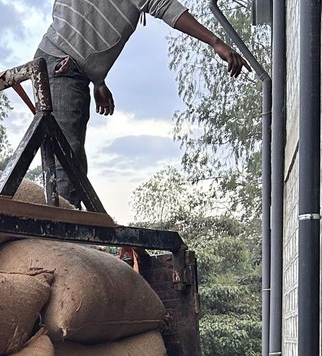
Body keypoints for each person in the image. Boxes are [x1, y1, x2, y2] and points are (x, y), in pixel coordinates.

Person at [34, 0, 246, 207]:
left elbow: (89, 17)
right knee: (65, 159)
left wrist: (97, 79)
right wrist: (215, 42)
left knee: (74, 160)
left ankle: (67, 227)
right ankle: (57, 234)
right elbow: (165, 6)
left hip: (72, 69)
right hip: (59, 64)